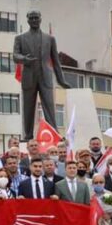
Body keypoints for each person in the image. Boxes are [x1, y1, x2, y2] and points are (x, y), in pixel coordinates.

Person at [13, 9, 71, 139]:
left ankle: (54, 134)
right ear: (28, 20)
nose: (34, 20)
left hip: (45, 76)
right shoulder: (20, 38)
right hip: (29, 76)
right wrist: (24, 59)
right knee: (28, 108)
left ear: (40, 19)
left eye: (36, 18)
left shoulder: (50, 39)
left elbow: (56, 61)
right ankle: (28, 135)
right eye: (31, 18)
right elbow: (15, 56)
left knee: (49, 107)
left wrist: (61, 80)